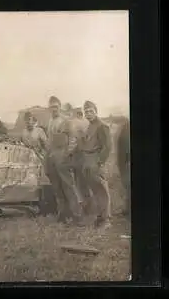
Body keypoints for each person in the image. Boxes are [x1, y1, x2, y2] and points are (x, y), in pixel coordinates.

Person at [44, 96, 84, 225]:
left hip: (62, 156)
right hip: (51, 156)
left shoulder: (65, 121)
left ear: (60, 107)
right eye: (51, 107)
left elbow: (73, 139)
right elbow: (49, 140)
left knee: (68, 186)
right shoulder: (50, 121)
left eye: (56, 106)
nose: (54, 109)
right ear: (49, 108)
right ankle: (63, 214)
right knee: (56, 186)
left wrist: (67, 154)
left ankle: (77, 215)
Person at [78, 100, 112, 230]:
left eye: (91, 111)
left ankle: (106, 220)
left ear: (96, 111)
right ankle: (100, 217)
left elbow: (107, 147)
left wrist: (99, 162)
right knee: (95, 191)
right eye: (86, 111)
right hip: (87, 160)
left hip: (96, 160)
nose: (88, 113)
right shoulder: (90, 126)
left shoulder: (102, 125)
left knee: (102, 190)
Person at [116, 117, 130, 217]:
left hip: (127, 160)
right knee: (126, 185)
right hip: (123, 160)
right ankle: (127, 208)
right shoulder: (125, 127)